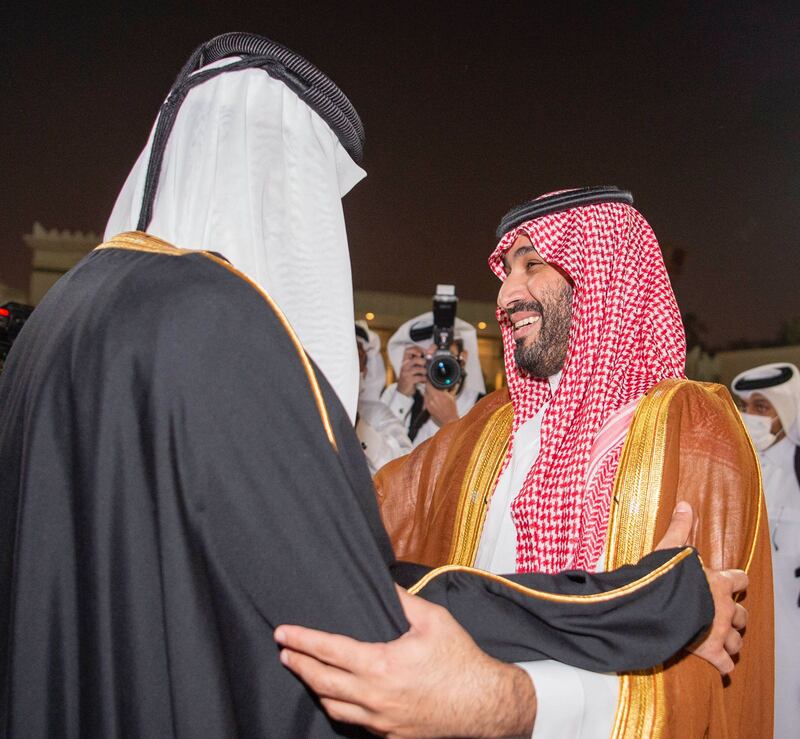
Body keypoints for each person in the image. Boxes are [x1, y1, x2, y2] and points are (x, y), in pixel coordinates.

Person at [0, 37, 735, 739]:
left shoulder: (54, 327)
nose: (507, 290)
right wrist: (650, 600)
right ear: (274, 181)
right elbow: (364, 601)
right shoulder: (214, 321)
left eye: (532, 265)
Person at [279, 187, 772, 738]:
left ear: (603, 278)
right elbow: (355, 524)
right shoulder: (486, 428)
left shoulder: (691, 428)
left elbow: (700, 675)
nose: (507, 294)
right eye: (505, 273)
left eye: (533, 265)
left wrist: (509, 703)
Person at [732, 362, 800, 738]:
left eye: (761, 407)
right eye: (743, 407)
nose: (749, 417)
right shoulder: (741, 464)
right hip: (749, 627)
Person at [381, 313, 485, 447]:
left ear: (463, 358)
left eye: (445, 356)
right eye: (429, 358)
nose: (438, 365)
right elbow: (379, 457)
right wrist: (401, 396)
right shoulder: (394, 394)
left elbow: (483, 463)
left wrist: (450, 422)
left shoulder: (482, 407)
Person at [354, 323, 412, 474]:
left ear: (365, 370)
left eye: (357, 355)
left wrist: (359, 426)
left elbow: (404, 467)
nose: (350, 362)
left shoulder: (376, 413)